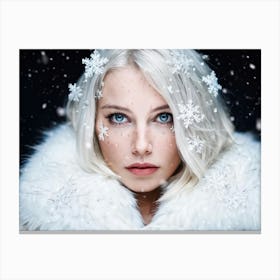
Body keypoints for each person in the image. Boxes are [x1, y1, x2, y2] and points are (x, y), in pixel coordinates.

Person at [19, 49, 260, 231]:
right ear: (91, 121)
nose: (141, 146)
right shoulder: (32, 225)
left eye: (164, 117)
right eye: (118, 117)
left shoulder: (258, 220)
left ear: (195, 121)